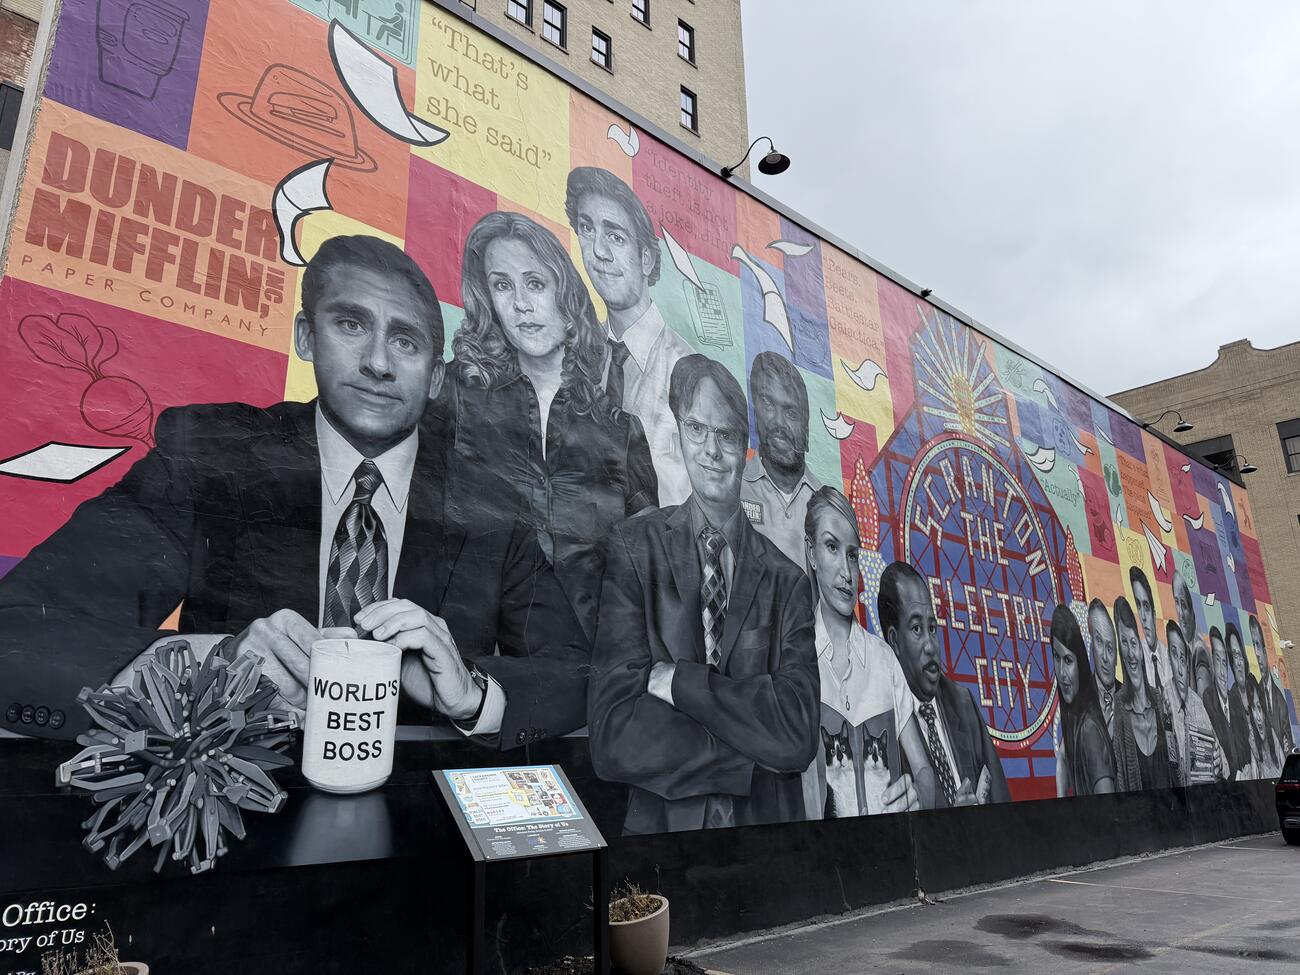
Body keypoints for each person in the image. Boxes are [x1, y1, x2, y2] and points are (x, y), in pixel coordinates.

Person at [0, 235, 591, 747]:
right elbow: (19, 637)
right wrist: (210, 666)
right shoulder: (211, 455)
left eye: (407, 341)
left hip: (426, 831)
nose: (379, 363)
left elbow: (576, 674)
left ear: (436, 378)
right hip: (231, 830)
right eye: (352, 324)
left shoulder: (493, 508)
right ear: (307, 336)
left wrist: (472, 695)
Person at [588, 354, 820, 834]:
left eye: (727, 435)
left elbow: (797, 735)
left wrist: (679, 685)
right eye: (697, 430)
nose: (712, 451)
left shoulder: (788, 581)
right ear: (679, 436)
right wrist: (749, 754)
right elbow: (613, 735)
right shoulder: (636, 549)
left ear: (745, 446)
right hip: (661, 837)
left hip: (769, 841)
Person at [448, 211, 658, 638]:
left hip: (591, 669)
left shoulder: (619, 432)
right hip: (475, 663)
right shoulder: (457, 395)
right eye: (502, 285)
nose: (520, 304)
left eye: (535, 283)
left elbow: (649, 571)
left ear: (567, 295)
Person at [800, 487, 935, 819]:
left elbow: (926, 775)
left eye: (853, 554)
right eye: (832, 547)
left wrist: (917, 793)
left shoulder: (884, 660)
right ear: (812, 554)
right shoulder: (795, 656)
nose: (847, 573)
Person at [565, 166, 693, 505]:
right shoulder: (577, 362)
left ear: (647, 259)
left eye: (616, 236)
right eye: (586, 229)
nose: (598, 252)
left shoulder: (687, 368)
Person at [879, 561, 1008, 808]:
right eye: (917, 629)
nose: (931, 646)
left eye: (933, 628)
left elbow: (1002, 800)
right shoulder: (883, 726)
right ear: (894, 642)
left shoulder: (963, 702)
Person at [740, 352, 821, 569]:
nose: (778, 422)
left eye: (791, 413)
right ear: (755, 412)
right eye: (768, 403)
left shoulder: (825, 505)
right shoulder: (733, 487)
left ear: (805, 429)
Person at [1049, 604, 1116, 797]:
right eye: (1056, 657)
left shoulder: (1089, 730)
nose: (1062, 673)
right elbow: (1062, 756)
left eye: (1068, 660)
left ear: (1081, 662)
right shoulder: (1075, 717)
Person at [1111, 596, 1171, 790]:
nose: (1130, 653)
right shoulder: (1118, 707)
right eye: (1124, 643)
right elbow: (1120, 781)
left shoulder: (1160, 702)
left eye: (1133, 642)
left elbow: (1177, 769)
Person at [1166, 621, 1226, 784]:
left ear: (1187, 665)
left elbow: (1223, 764)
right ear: (1168, 658)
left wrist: (1218, 760)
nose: (1179, 669)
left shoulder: (1197, 703)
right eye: (1174, 655)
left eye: (1183, 659)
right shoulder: (1162, 700)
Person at [1130, 567, 1176, 739]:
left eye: (1146, 607)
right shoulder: (1135, 661)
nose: (1143, 616)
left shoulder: (1171, 658)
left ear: (1154, 613)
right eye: (1138, 606)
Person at [1249, 613, 1295, 753]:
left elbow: (1288, 745)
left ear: (1264, 650)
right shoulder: (1255, 691)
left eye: (1257, 645)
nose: (1256, 653)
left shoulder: (1280, 701)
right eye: (1253, 644)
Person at [1203, 626, 1241, 779]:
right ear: (1212, 664)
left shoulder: (1235, 700)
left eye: (1224, 662)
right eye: (1217, 661)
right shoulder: (1208, 699)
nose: (1222, 671)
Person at [1087, 598, 1121, 744]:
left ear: (1117, 658)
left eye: (1110, 647)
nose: (1105, 657)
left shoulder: (1129, 700)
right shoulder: (1080, 699)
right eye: (1099, 642)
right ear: (1092, 646)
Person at [1225, 622, 1253, 779]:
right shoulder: (1231, 701)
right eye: (1234, 656)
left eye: (1240, 655)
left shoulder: (1255, 689)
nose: (1239, 662)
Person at [1246, 674, 1282, 779]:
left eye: (1259, 707)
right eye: (1253, 708)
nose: (1257, 717)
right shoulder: (1253, 742)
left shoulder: (1273, 736)